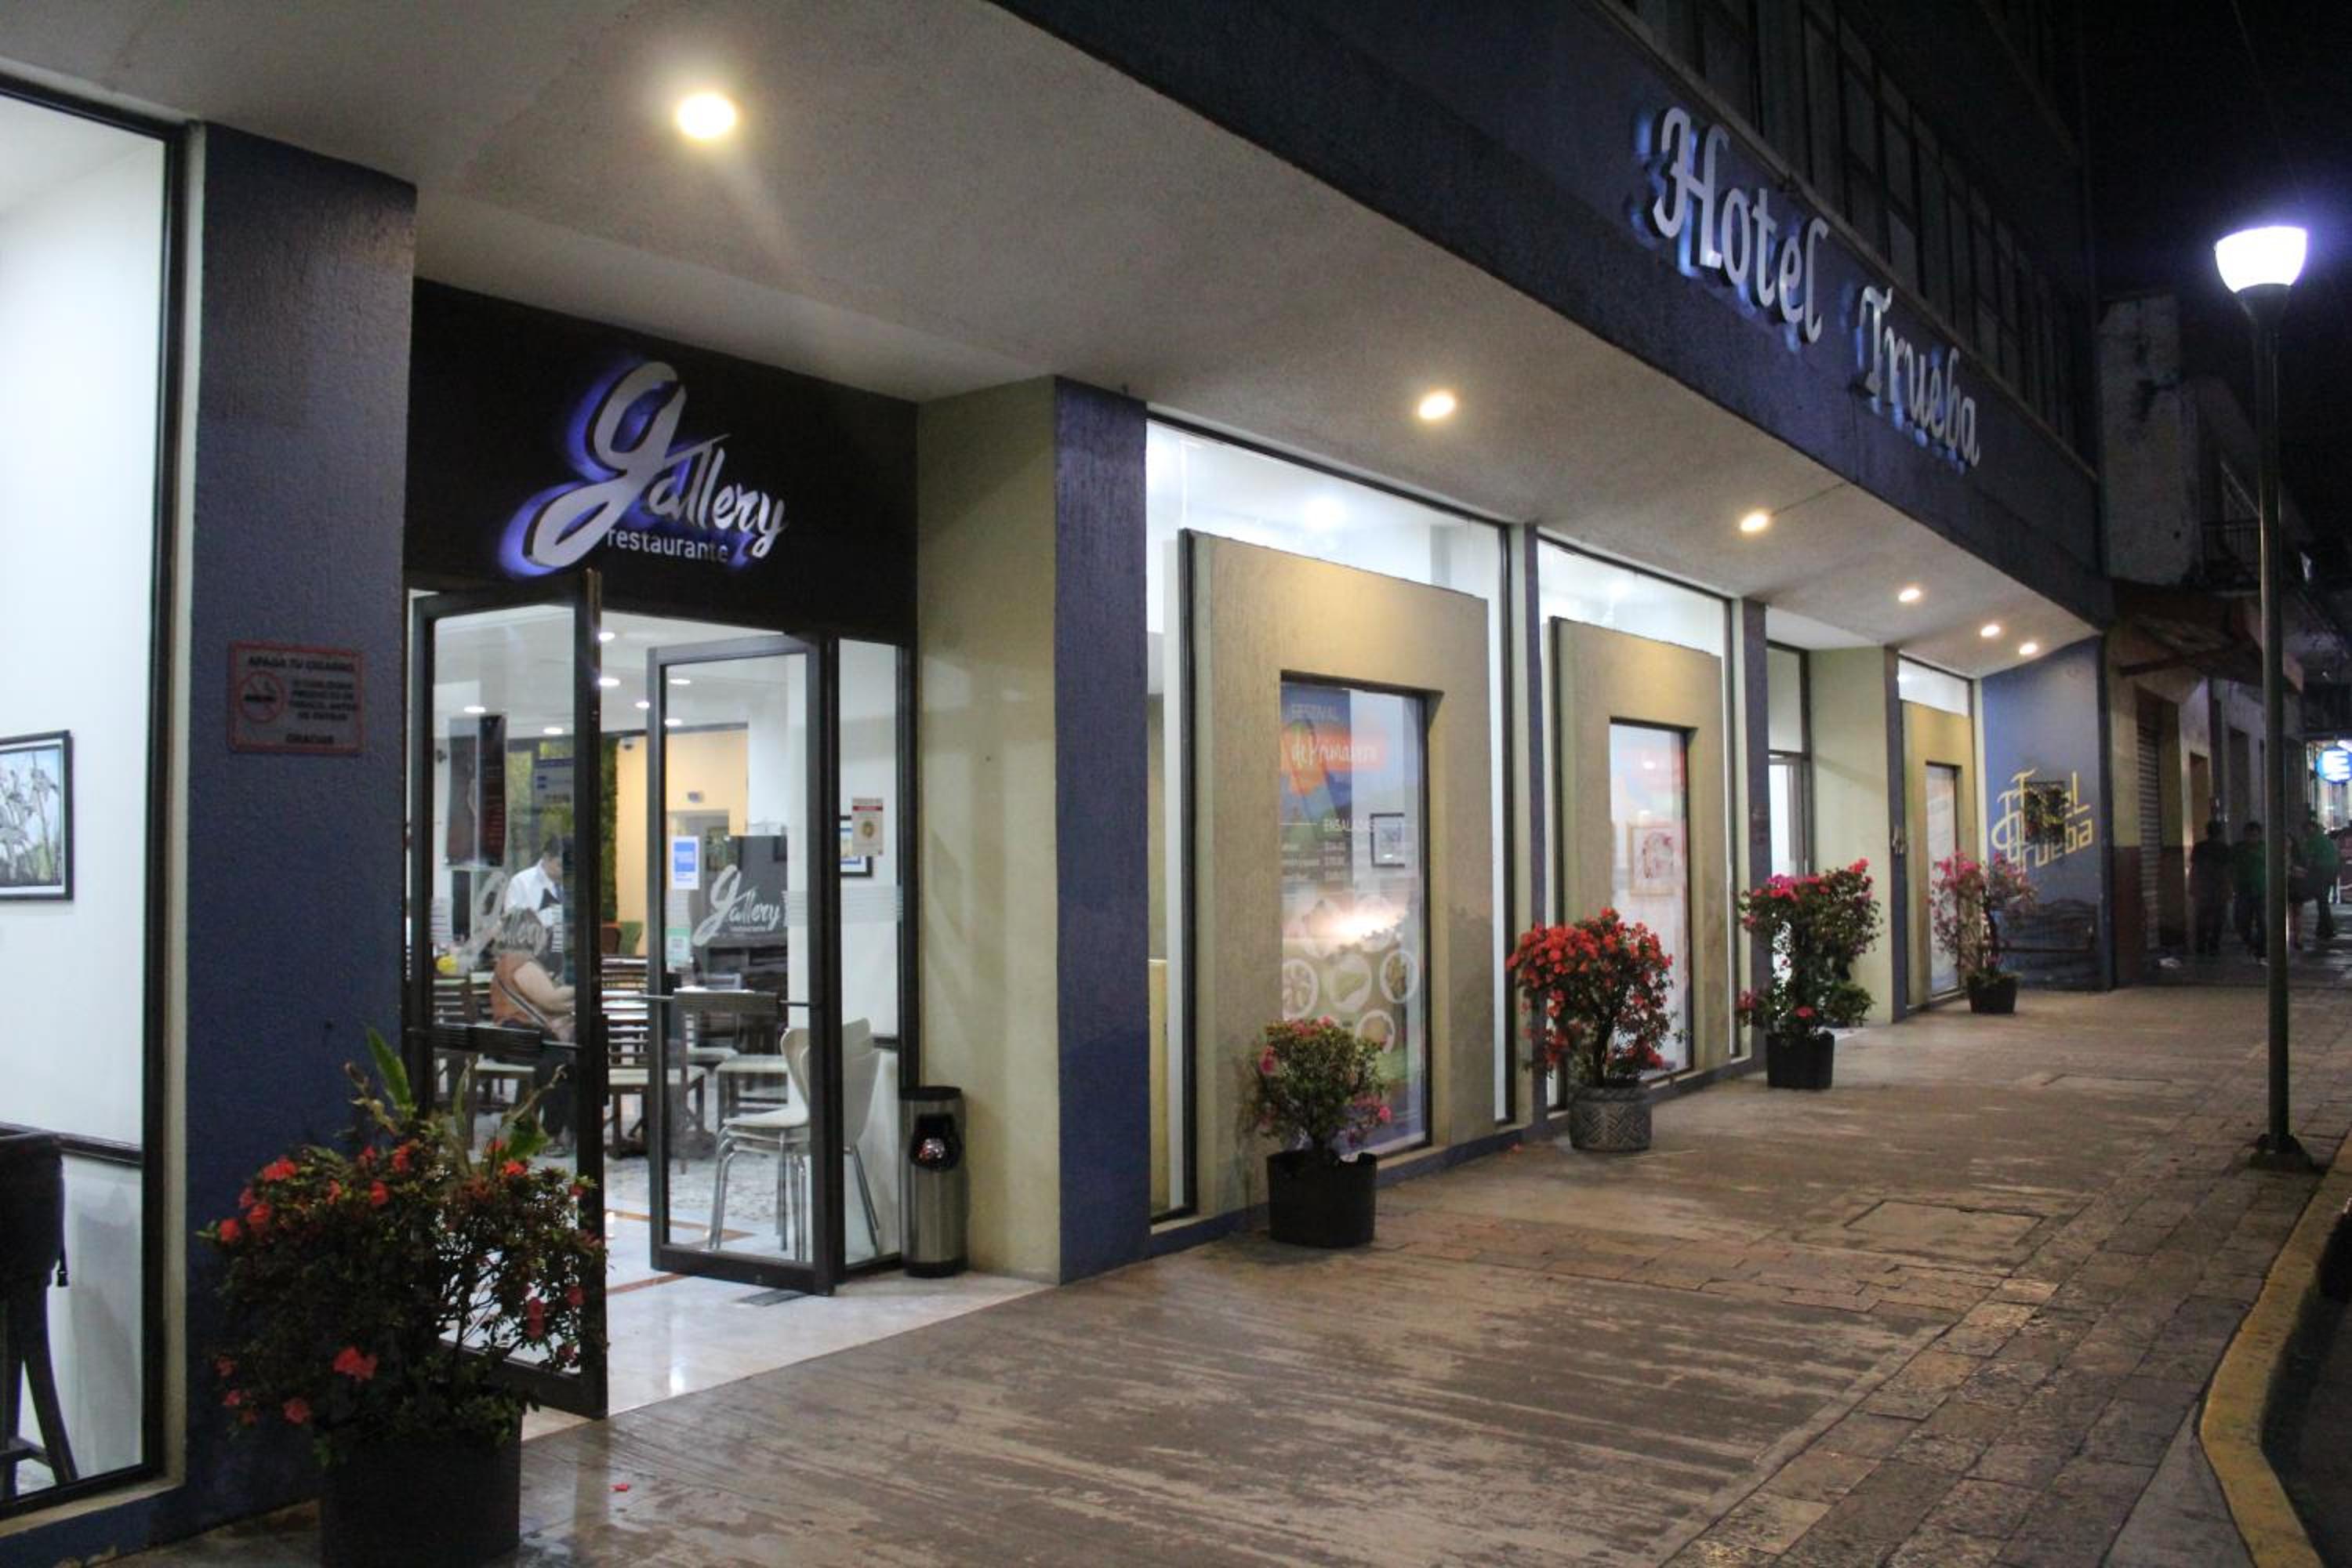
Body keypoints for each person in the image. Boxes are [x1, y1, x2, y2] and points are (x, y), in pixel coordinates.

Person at [488, 908, 577, 1144]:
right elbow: (550, 999)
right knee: (563, 1066)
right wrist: (580, 987)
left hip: (511, 1040)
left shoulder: (507, 962)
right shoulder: (520, 962)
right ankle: (554, 1131)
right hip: (522, 1038)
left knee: (562, 1063)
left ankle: (540, 1127)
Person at [503, 836, 568, 967]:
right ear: (546, 857)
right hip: (533, 959)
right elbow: (511, 924)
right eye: (560, 865)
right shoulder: (521, 882)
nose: (564, 871)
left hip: (569, 956)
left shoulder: (571, 883)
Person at [2190, 819, 2233, 957]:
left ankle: (2201, 945)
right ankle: (2214, 945)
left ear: (2207, 832)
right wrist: (2229, 888)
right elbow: (2227, 870)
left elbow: (2195, 868)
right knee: (2219, 918)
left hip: (2203, 887)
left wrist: (2193, 885)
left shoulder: (2199, 847)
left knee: (2202, 916)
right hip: (2219, 887)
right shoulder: (2224, 848)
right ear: (2220, 833)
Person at [2303, 815, 2341, 947]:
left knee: (2322, 901)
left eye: (2307, 829)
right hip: (2331, 871)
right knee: (2322, 900)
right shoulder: (2324, 839)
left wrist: (2305, 871)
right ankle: (2323, 929)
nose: (2307, 832)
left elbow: (2308, 858)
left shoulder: (2313, 840)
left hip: (2321, 871)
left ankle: (2328, 928)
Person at [2233, 820, 2266, 956]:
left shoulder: (2266, 849)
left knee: (2262, 921)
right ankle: (2250, 942)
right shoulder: (2238, 849)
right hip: (2243, 889)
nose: (2252, 838)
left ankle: (2260, 947)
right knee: (2242, 920)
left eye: (2254, 835)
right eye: (2249, 835)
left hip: (2262, 889)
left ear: (2260, 835)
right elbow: (2230, 866)